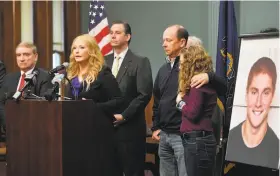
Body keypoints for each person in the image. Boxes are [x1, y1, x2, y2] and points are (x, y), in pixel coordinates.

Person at [105, 20, 153, 176]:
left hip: (130, 129)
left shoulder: (140, 61)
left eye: (117, 33)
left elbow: (144, 94)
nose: (113, 35)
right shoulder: (103, 61)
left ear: (128, 37)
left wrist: (124, 115)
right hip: (106, 129)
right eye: (111, 33)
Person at [226, 57, 279, 169]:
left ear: (272, 97)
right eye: (254, 92)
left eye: (266, 93)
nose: (258, 103)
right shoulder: (230, 139)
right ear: (246, 94)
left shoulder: (277, 147)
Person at [176, 45, 217, 176]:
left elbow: (193, 114)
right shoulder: (202, 82)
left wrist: (179, 103)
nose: (179, 67)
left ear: (191, 64)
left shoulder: (197, 84)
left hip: (198, 141)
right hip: (198, 140)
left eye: (182, 64)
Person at [0, 42, 52, 128]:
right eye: (18, 55)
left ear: (35, 57)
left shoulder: (45, 77)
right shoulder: (8, 78)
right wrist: (8, 123)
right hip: (9, 128)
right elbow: (1, 104)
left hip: (34, 127)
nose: (22, 59)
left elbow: (45, 106)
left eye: (26, 54)